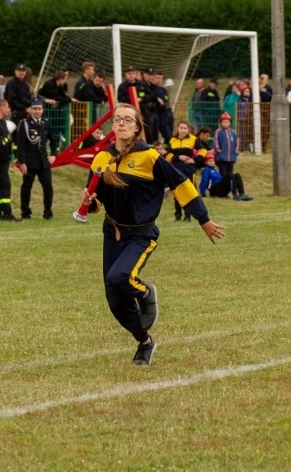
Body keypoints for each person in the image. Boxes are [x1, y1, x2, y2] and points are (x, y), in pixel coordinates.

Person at [78, 103, 225, 365]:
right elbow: (97, 201)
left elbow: (181, 184)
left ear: (137, 127)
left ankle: (146, 294)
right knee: (115, 300)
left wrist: (203, 219)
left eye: (127, 120)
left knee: (119, 277)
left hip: (141, 235)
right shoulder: (102, 158)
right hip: (112, 232)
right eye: (117, 119)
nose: (121, 123)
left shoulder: (150, 157)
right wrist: (88, 201)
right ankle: (144, 342)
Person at [16, 99, 58, 220]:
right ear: (30, 110)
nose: (37, 111)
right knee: (27, 187)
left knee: (48, 186)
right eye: (35, 109)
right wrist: (22, 162)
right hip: (30, 162)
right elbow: (21, 144)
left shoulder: (45, 122)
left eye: (39, 109)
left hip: (43, 161)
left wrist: (54, 154)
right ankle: (25, 212)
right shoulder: (24, 123)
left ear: (42, 110)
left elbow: (54, 140)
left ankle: (48, 212)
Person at [165, 120, 197, 221]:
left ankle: (188, 216)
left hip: (189, 170)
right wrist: (179, 157)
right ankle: (178, 215)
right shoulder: (172, 140)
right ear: (177, 129)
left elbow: (203, 151)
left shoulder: (193, 139)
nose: (183, 130)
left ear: (188, 130)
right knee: (177, 192)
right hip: (176, 170)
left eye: (185, 128)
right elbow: (168, 156)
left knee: (188, 192)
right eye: (181, 128)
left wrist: (195, 160)